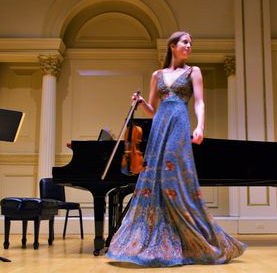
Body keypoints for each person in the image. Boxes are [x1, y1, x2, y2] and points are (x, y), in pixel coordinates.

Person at [106, 31, 247, 266]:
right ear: (172, 46)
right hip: (160, 126)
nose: (189, 46)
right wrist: (141, 104)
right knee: (155, 179)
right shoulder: (157, 75)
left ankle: (200, 238)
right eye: (185, 42)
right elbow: (153, 110)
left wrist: (200, 126)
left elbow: (200, 101)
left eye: (191, 43)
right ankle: (162, 239)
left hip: (179, 124)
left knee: (172, 178)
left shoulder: (194, 72)